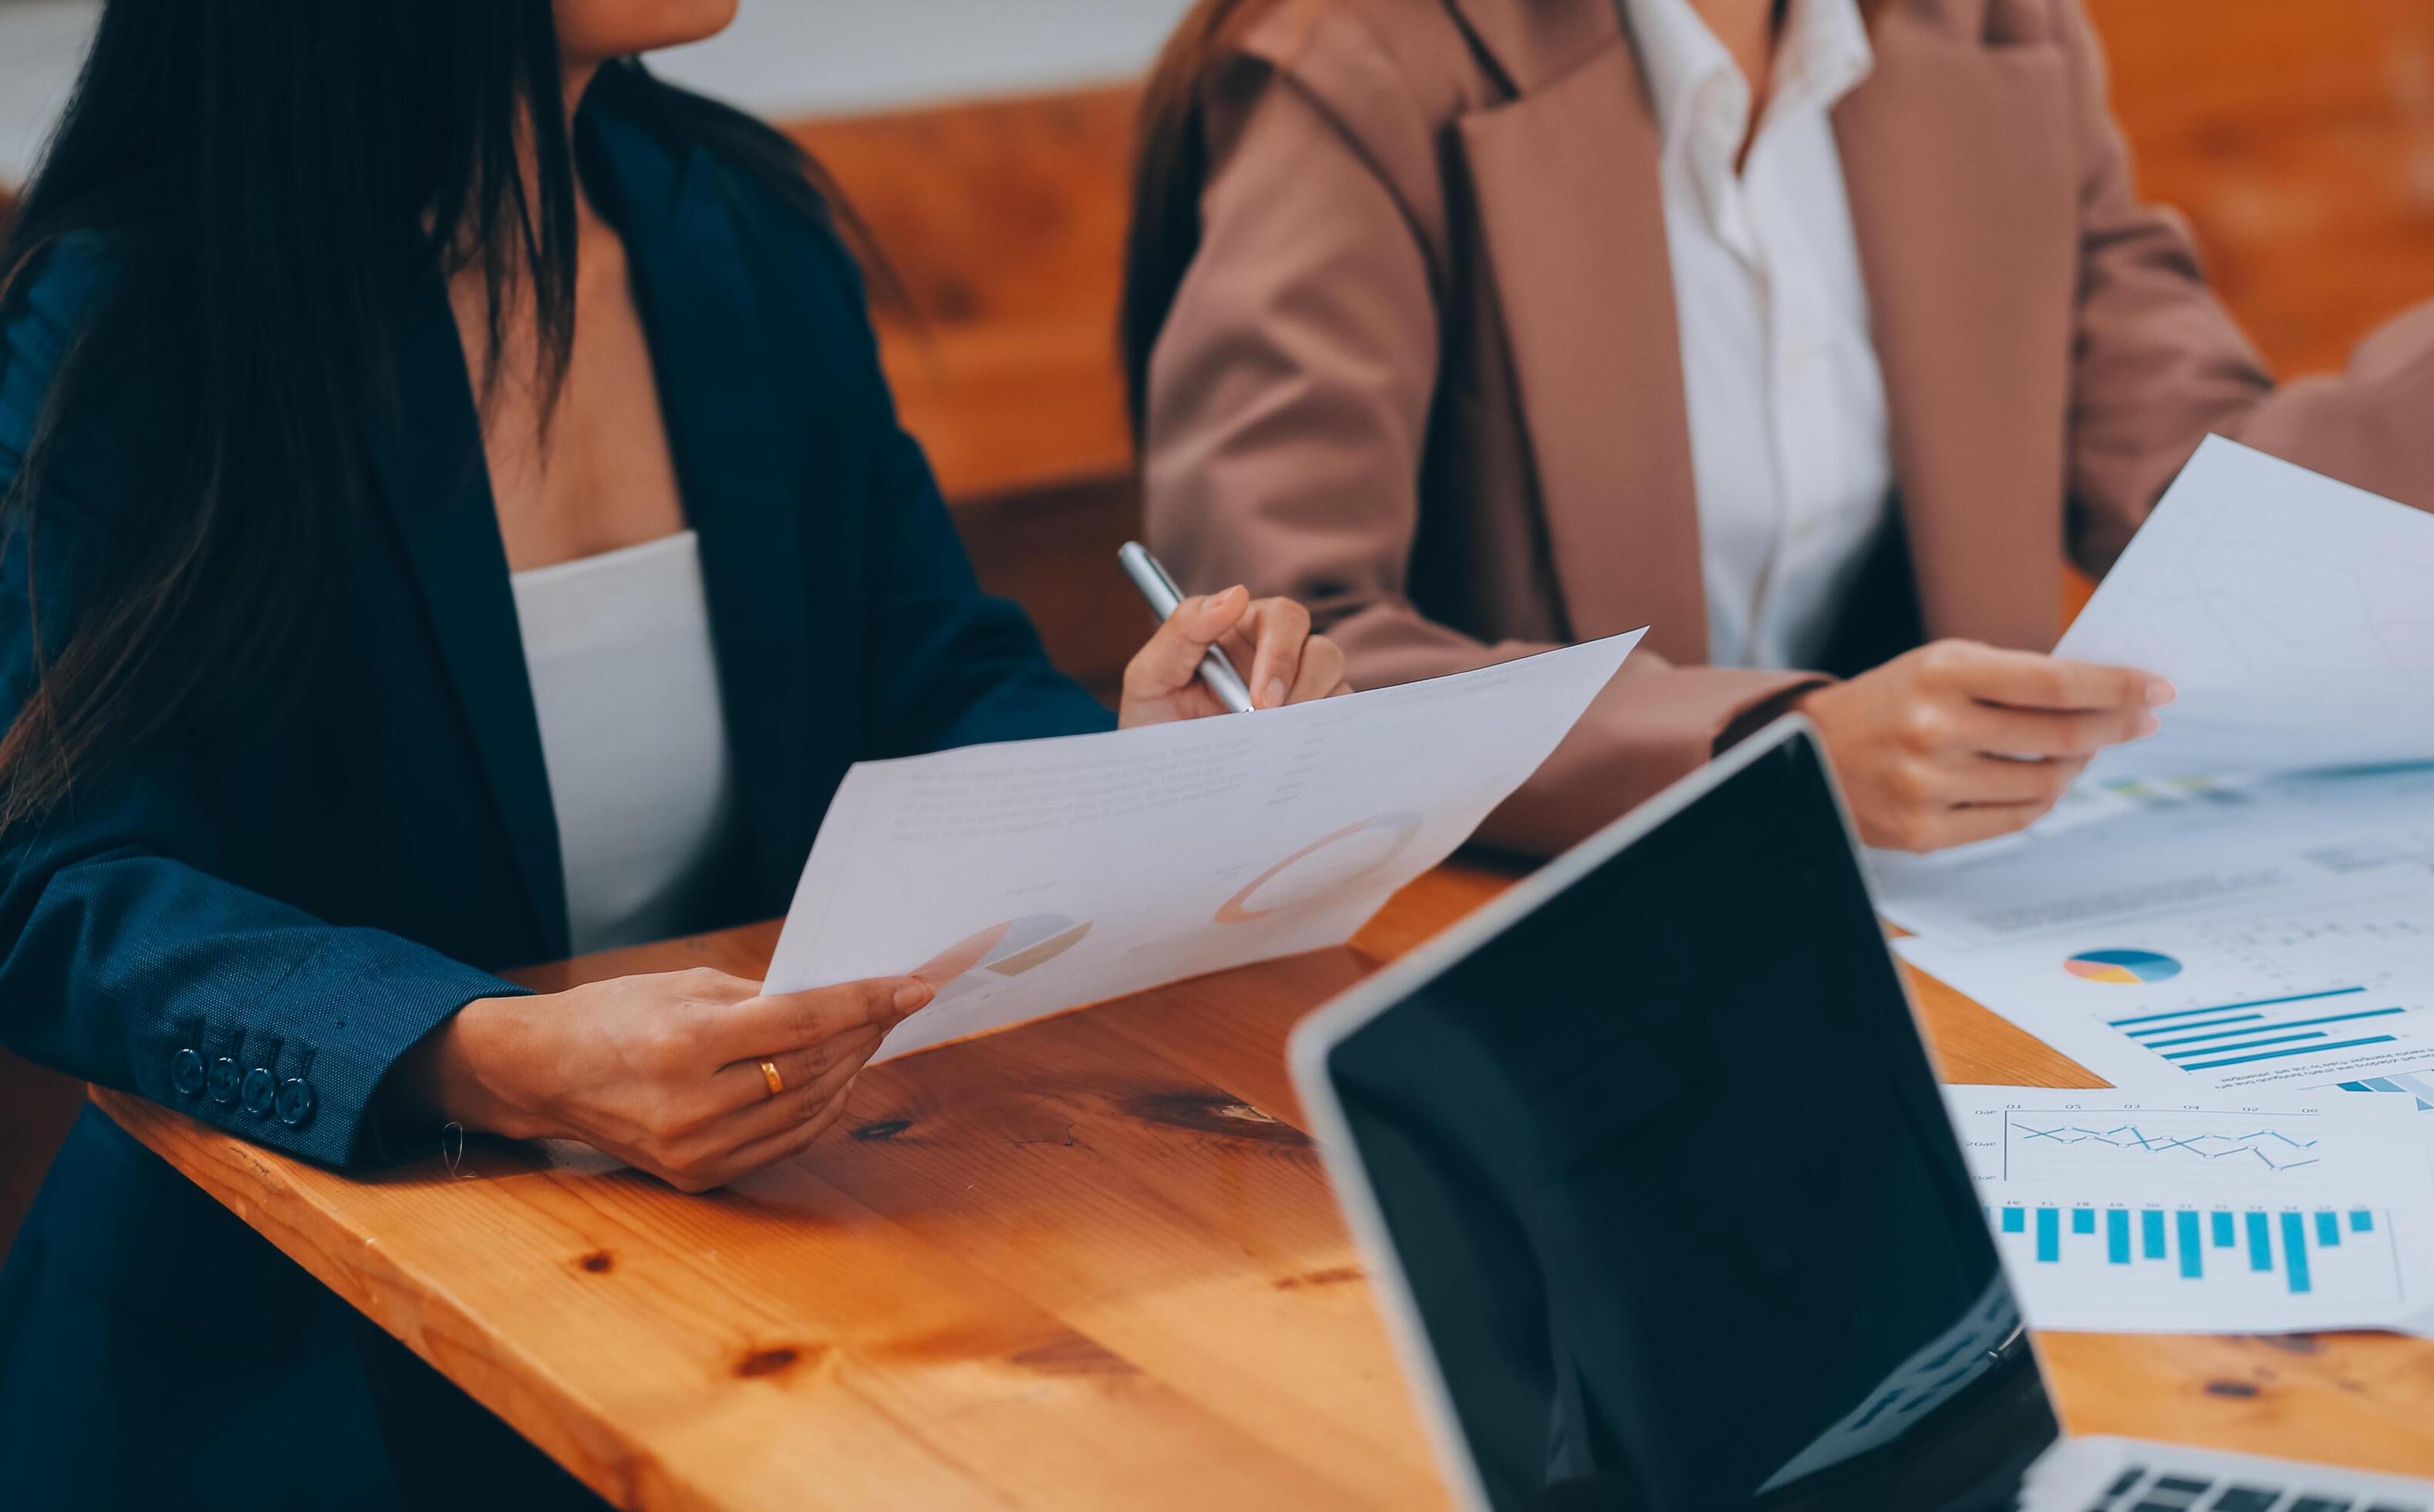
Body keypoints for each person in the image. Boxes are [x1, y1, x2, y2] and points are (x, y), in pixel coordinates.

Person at [0, 2, 1345, 1505]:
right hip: (300, 1368)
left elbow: (923, 670)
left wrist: (1127, 765)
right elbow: (64, 889)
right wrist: (492, 1051)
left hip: (746, 1285)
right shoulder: (135, 314)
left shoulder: (733, 226)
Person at [1123, 0, 2434, 856]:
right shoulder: (1358, 63)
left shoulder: (1993, 31)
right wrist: (1773, 751)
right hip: (1500, 946)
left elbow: (2195, 491)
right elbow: (1284, 654)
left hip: (1916, 940)